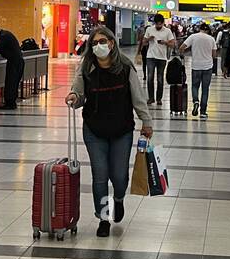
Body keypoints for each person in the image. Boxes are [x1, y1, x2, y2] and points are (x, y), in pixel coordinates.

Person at [66, 26, 153, 237]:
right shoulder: (86, 68)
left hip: (121, 129)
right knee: (100, 176)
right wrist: (74, 98)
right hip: (94, 130)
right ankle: (103, 218)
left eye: (102, 42)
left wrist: (146, 121)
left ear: (111, 43)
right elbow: (78, 93)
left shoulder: (125, 67)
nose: (99, 46)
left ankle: (119, 199)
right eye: (94, 43)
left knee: (119, 176)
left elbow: (138, 97)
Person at [180, 21, 218, 119]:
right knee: (205, 89)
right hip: (207, 67)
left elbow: (181, 47)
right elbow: (214, 55)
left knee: (195, 86)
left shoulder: (193, 37)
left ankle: (195, 101)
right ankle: (203, 112)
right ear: (207, 30)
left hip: (196, 66)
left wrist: (184, 55)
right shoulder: (211, 39)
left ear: (200, 29)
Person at [140, 14, 174, 106]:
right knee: (150, 78)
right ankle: (151, 98)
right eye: (157, 24)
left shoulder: (168, 31)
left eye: (160, 24)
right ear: (154, 23)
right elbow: (143, 42)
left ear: (163, 23)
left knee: (160, 79)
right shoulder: (149, 29)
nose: (158, 26)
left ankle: (159, 98)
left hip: (162, 58)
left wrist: (165, 42)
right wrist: (148, 39)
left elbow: (173, 44)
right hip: (150, 57)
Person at [0, 23, 25, 109]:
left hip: (14, 62)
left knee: (11, 82)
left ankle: (10, 104)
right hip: (17, 61)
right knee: (13, 82)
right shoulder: (6, 34)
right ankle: (11, 102)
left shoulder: (4, 36)